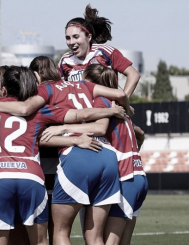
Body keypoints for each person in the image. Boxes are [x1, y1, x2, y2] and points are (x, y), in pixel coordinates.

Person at [41, 64, 149, 245]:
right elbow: (140, 133)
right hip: (137, 175)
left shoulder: (102, 101)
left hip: (125, 176)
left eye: (84, 81)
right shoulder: (117, 106)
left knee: (78, 235)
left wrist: (64, 127)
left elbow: (99, 128)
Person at [58, 4, 141, 97]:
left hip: (106, 110)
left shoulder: (104, 52)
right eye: (68, 38)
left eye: (76, 37)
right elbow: (56, 88)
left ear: (89, 37)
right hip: (81, 111)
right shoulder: (65, 60)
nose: (71, 42)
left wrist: (123, 103)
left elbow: (133, 75)